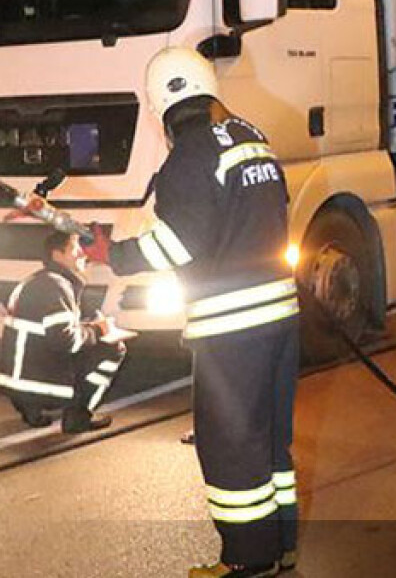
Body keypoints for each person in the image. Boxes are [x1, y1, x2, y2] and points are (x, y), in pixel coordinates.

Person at [80, 46, 299, 578]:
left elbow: (176, 245)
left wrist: (113, 253)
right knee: (270, 436)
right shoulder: (251, 139)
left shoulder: (188, 159)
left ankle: (246, 562)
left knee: (229, 445)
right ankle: (280, 544)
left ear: (161, 108)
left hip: (229, 327)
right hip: (280, 316)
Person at [0, 230, 126, 434]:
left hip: (18, 383)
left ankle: (32, 410)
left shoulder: (38, 281)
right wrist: (98, 330)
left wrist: (90, 323)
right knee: (114, 348)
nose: (83, 254)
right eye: (75, 248)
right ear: (57, 254)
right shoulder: (56, 286)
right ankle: (79, 416)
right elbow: (66, 341)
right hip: (37, 384)